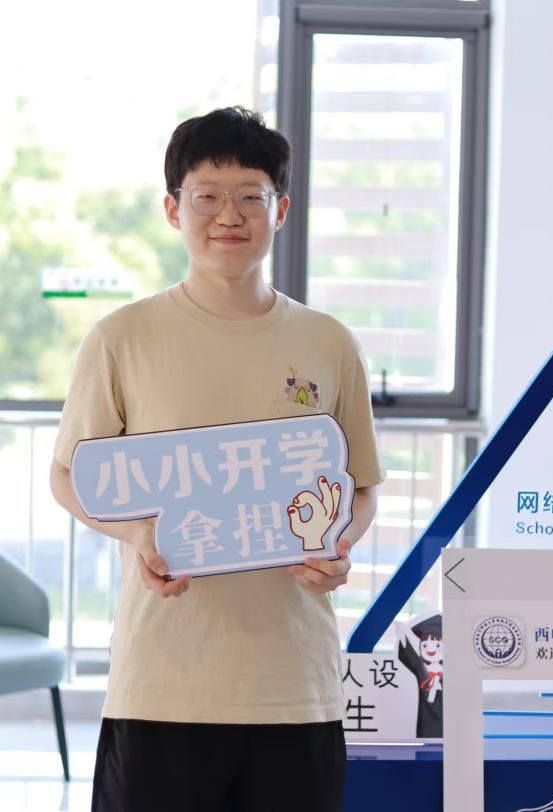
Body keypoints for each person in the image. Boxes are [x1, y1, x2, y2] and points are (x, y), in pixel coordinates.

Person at [49, 106, 384, 812]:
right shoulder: (120, 338)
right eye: (207, 195)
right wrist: (136, 533)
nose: (228, 216)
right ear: (174, 209)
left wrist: (337, 543)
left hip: (294, 687)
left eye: (250, 197)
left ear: (280, 210)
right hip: (162, 684)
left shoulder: (329, 342)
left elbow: (358, 487)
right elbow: (69, 474)